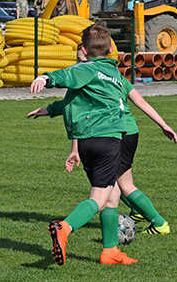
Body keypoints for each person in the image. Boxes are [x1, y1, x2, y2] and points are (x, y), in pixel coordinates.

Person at [30, 43, 177, 240]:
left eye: (80, 48)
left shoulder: (85, 71)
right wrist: (163, 124)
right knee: (117, 185)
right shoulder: (112, 73)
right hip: (127, 130)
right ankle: (115, 244)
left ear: (85, 50)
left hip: (113, 132)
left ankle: (156, 221)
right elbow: (137, 101)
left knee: (118, 187)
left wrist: (47, 88)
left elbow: (75, 106)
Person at [27, 24, 136, 266]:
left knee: (113, 194)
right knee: (99, 197)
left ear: (85, 49)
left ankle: (110, 252)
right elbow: (68, 76)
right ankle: (64, 227)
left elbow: (75, 99)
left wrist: (50, 109)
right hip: (107, 139)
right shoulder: (105, 72)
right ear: (109, 49)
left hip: (88, 141)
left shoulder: (102, 72)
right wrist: (47, 78)